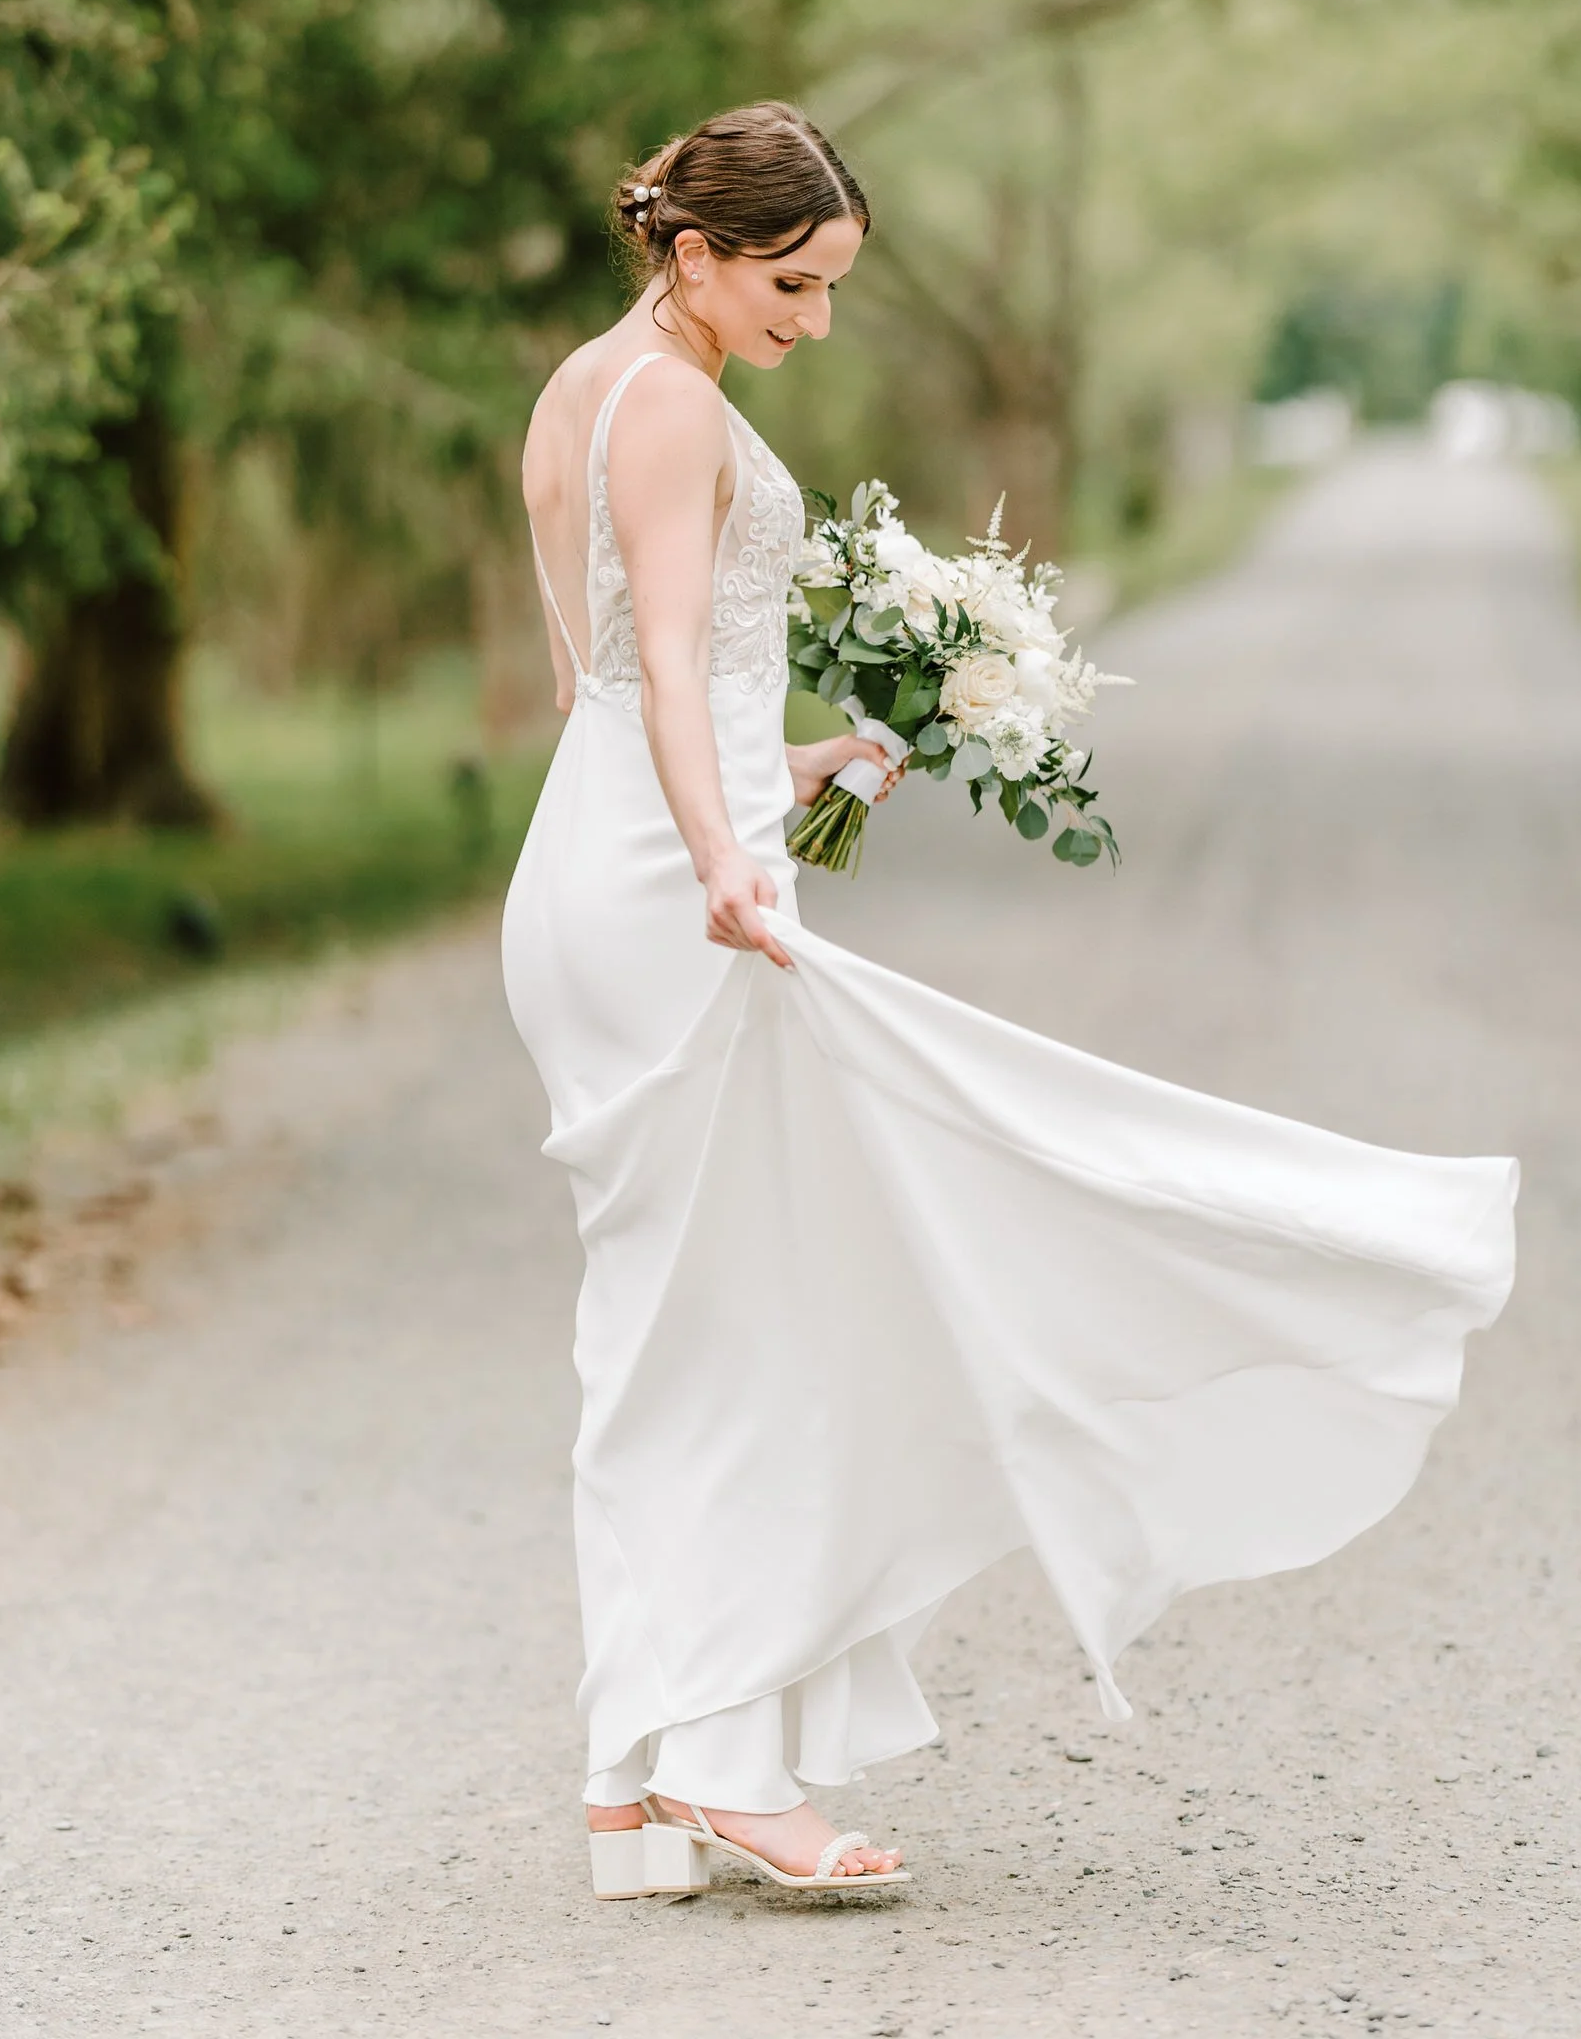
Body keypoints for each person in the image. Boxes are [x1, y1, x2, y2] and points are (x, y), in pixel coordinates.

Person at [501, 100, 1517, 1902]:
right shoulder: (667, 401)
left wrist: (799, 754)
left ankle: (629, 1782)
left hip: (610, 863)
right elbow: (651, 660)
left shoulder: (581, 387)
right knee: (743, 1324)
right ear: (696, 254)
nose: (815, 323)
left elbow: (598, 677)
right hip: (674, 888)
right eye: (794, 286)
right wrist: (729, 851)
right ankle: (729, 1769)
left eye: (832, 290)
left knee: (660, 1324)